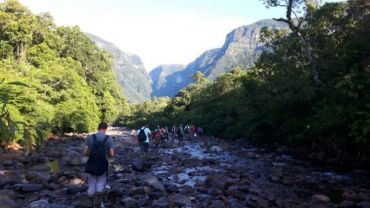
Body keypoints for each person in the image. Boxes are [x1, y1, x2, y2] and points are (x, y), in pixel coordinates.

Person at [83, 122, 115, 196]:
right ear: (105, 129)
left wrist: (91, 154)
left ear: (98, 128)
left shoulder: (90, 137)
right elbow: (112, 154)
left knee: (91, 184)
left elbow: (84, 152)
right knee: (100, 185)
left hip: (91, 162)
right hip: (102, 163)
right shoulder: (109, 138)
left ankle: (90, 199)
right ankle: (99, 201)